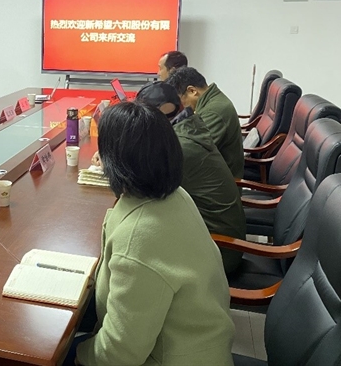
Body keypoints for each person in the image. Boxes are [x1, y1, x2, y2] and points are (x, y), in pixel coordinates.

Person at [72, 101, 233, 366]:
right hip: (200, 344)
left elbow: (119, 354)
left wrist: (78, 355)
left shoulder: (138, 236)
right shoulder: (176, 195)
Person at [136, 81, 246, 274]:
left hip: (219, 251)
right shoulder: (189, 127)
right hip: (216, 236)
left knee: (136, 242)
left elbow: (144, 187)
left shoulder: (181, 147)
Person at [166, 67, 244, 179]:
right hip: (212, 171)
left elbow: (193, 150)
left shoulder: (213, 112)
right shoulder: (212, 101)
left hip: (218, 180)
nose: (181, 106)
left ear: (192, 91)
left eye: (180, 99)